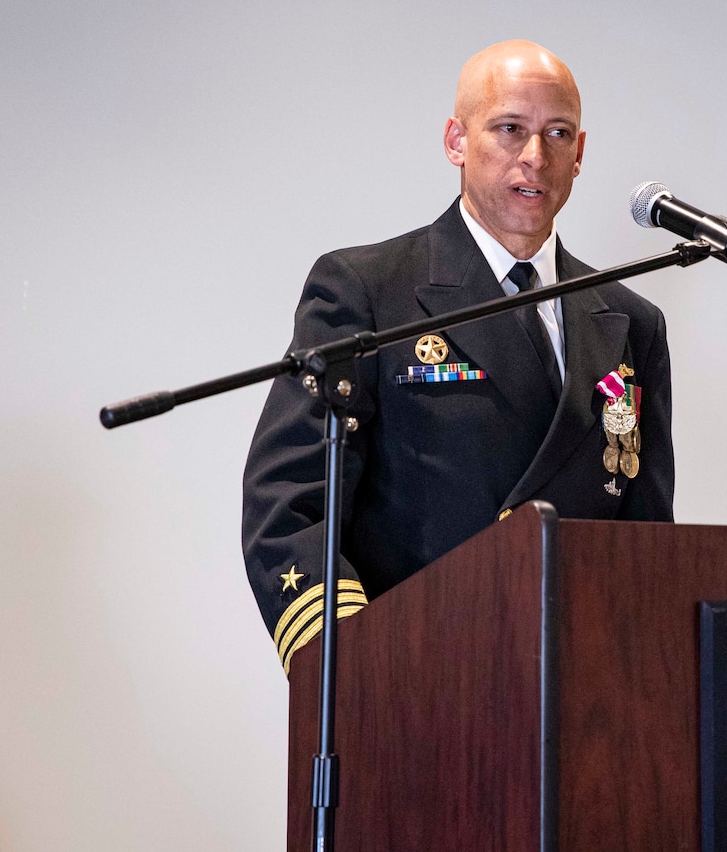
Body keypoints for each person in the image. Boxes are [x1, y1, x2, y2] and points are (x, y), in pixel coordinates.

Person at [242, 40, 675, 673]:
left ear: (579, 154)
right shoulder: (370, 290)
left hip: (577, 685)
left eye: (558, 133)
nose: (535, 156)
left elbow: (645, 542)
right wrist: (356, 663)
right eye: (509, 129)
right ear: (456, 141)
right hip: (418, 679)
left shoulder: (631, 323)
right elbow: (290, 497)